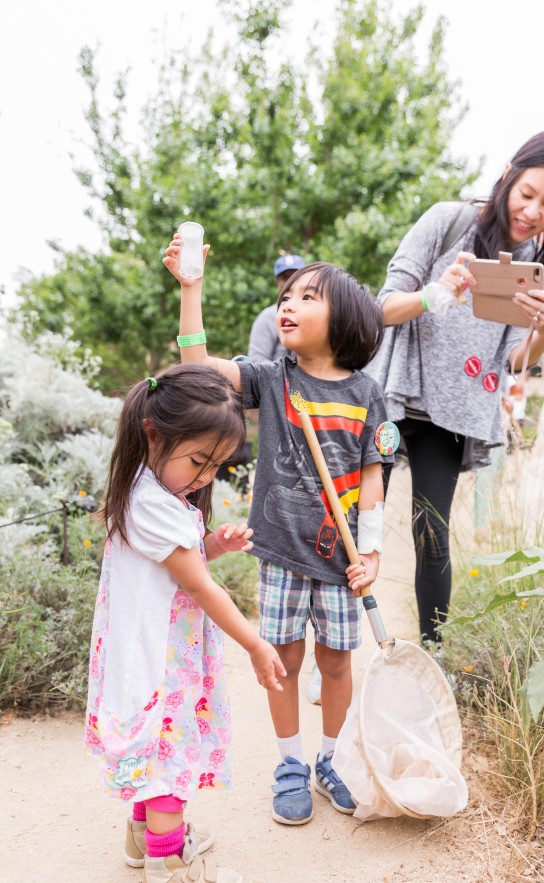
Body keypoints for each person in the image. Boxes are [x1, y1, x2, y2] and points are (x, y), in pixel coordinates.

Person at [164, 239, 393, 827]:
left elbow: (374, 480)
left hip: (343, 564)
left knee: (337, 663)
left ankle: (331, 759)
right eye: (285, 297)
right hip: (282, 555)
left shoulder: (369, 395)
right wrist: (191, 290)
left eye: (306, 297)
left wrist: (370, 552)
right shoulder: (272, 378)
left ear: (344, 317)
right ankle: (290, 763)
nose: (286, 306)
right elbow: (196, 367)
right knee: (284, 661)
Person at [366, 130, 544, 646]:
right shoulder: (448, 221)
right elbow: (381, 309)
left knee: (433, 535)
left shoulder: (542, 265)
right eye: (528, 193)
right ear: (510, 173)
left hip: (452, 413)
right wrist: (435, 293)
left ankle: (433, 656)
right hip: (392, 395)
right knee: (354, 514)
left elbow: (515, 360)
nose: (533, 210)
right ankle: (327, 649)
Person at [84, 362, 286, 883]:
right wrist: (255, 644)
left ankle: (140, 838)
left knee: (155, 756)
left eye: (216, 465)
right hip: (158, 661)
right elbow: (197, 585)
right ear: (154, 433)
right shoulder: (153, 505)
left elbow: (178, 569)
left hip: (152, 649)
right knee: (168, 759)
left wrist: (213, 544)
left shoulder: (150, 489)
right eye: (199, 461)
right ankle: (168, 862)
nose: (206, 477)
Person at [248, 253, 306, 363]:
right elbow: (256, 359)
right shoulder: (268, 317)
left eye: (295, 276)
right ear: (277, 282)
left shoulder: (315, 312)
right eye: (285, 277)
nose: (290, 281)